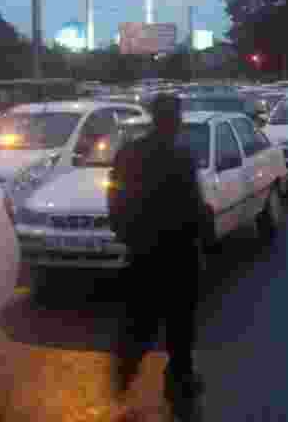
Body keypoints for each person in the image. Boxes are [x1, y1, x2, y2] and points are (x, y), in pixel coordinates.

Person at [108, 93, 211, 402]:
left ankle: (127, 365)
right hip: (179, 253)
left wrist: (124, 232)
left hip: (140, 250)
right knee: (180, 321)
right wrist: (205, 238)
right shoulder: (181, 157)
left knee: (141, 314)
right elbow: (193, 206)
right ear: (175, 120)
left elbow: (115, 196)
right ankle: (179, 378)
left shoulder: (129, 153)